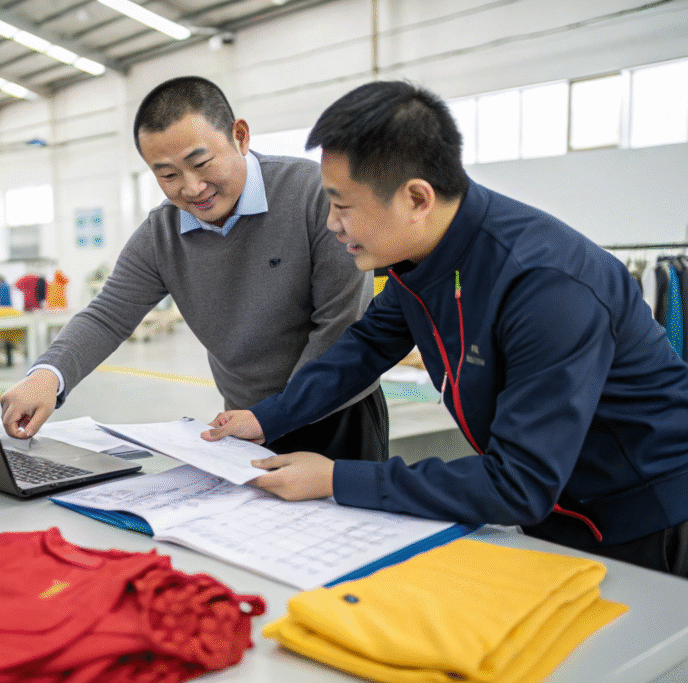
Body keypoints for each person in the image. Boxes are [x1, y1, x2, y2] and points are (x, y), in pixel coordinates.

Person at [203, 80, 688, 576]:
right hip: (558, 510)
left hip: (650, 522)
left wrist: (336, 479)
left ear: (417, 198)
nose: (332, 224)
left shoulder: (547, 286)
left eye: (342, 205)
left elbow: (518, 484)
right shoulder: (426, 255)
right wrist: (267, 418)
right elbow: (367, 346)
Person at [0, 76, 388, 463]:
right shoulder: (162, 235)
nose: (192, 187)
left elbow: (340, 324)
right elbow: (107, 316)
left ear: (240, 137)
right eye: (168, 175)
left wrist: (277, 415)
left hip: (337, 413)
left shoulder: (314, 196)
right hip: (244, 423)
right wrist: (46, 376)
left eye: (201, 164)